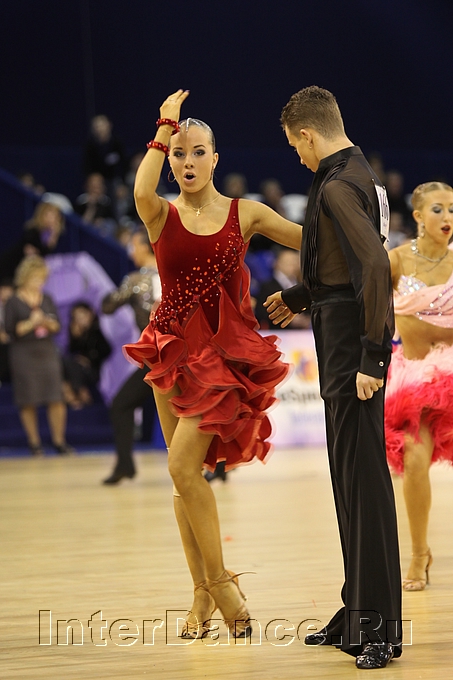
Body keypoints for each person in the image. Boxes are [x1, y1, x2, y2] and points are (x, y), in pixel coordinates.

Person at [122, 90, 302, 640]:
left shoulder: (246, 213)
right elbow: (140, 189)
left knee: (181, 468)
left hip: (221, 358)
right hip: (168, 349)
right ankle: (200, 594)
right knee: (185, 479)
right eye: (179, 154)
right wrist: (165, 126)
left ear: (215, 158)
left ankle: (221, 584)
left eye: (198, 152)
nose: (188, 162)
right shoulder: (160, 213)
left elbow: (311, 242)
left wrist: (352, 232)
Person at [265, 86, 402, 669]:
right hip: (340, 331)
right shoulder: (355, 173)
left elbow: (374, 264)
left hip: (353, 347)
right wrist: (304, 295)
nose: (296, 157)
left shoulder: (340, 182)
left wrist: (374, 357)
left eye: (294, 146)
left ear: (308, 134)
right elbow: (345, 263)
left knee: (363, 483)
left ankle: (380, 628)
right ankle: (358, 609)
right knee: (350, 481)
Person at [385, 181, 453, 591]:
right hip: (415, 376)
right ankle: (418, 552)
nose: (447, 217)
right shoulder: (396, 260)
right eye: (438, 209)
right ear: (418, 216)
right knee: (413, 460)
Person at [101, 228, 161, 484]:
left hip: (157, 358)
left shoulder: (138, 279)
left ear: (146, 247)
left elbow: (108, 305)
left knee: (121, 405)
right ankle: (220, 464)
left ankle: (125, 465)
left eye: (133, 246)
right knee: (197, 407)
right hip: (183, 355)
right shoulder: (174, 273)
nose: (130, 252)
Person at [4, 256, 73, 456]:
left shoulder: (47, 298)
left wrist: (45, 322)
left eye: (42, 279)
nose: (39, 283)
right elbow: (10, 330)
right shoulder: (13, 301)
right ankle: (34, 443)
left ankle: (59, 441)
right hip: (23, 354)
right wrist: (31, 323)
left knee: (56, 397)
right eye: (35, 278)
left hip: (47, 351)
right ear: (25, 277)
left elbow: (57, 325)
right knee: (28, 399)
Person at [62, 302, 112, 409]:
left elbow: (106, 350)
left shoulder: (97, 330)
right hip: (76, 368)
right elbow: (72, 352)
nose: (79, 319)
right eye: (76, 317)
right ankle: (73, 394)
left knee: (70, 365)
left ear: (90, 314)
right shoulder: (75, 331)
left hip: (92, 370)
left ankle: (78, 394)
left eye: (82, 315)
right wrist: (75, 337)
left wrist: (89, 359)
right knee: (65, 363)